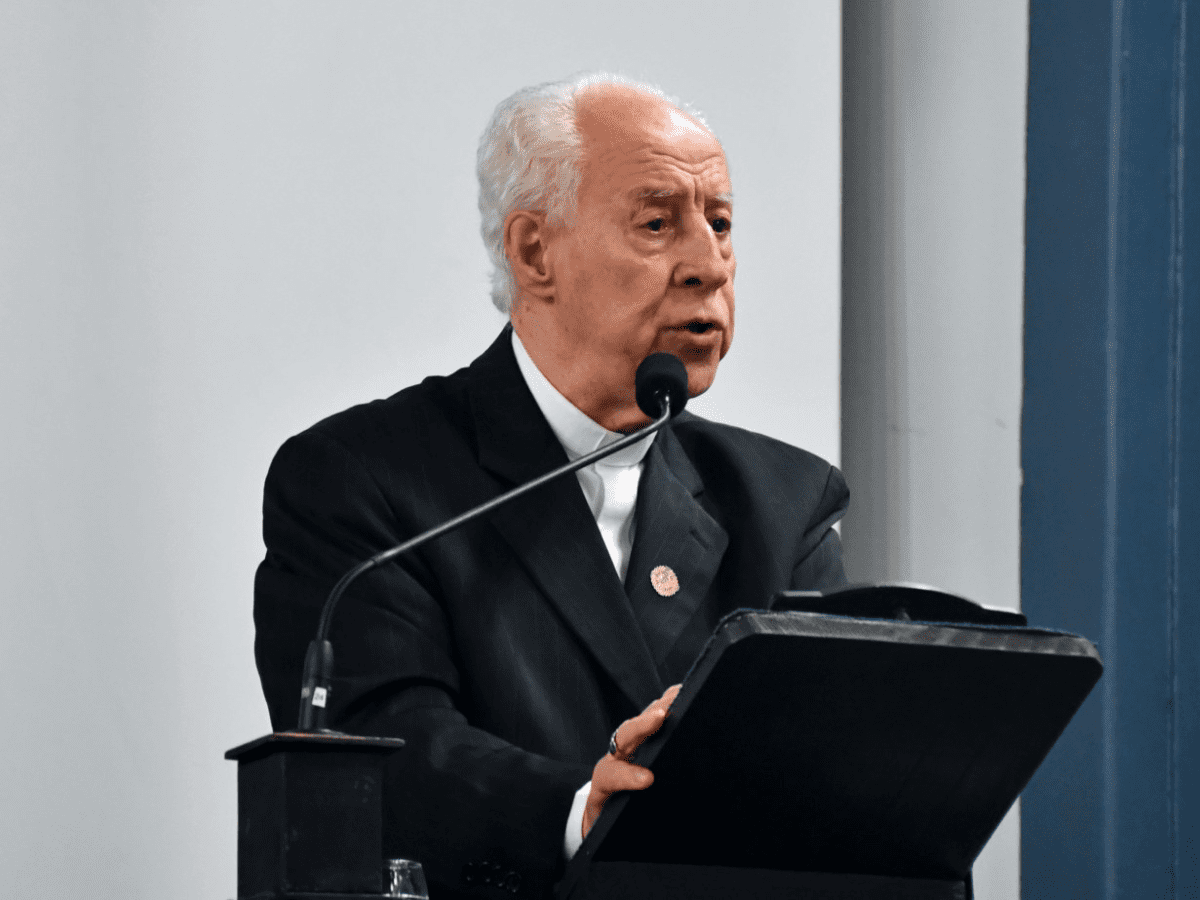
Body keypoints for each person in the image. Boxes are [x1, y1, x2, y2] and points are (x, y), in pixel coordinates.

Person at [253, 73, 848, 900]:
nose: (709, 266)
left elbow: (826, 763)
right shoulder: (366, 478)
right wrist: (576, 809)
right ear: (535, 252)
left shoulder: (784, 499)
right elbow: (378, 744)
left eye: (719, 223)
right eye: (657, 223)